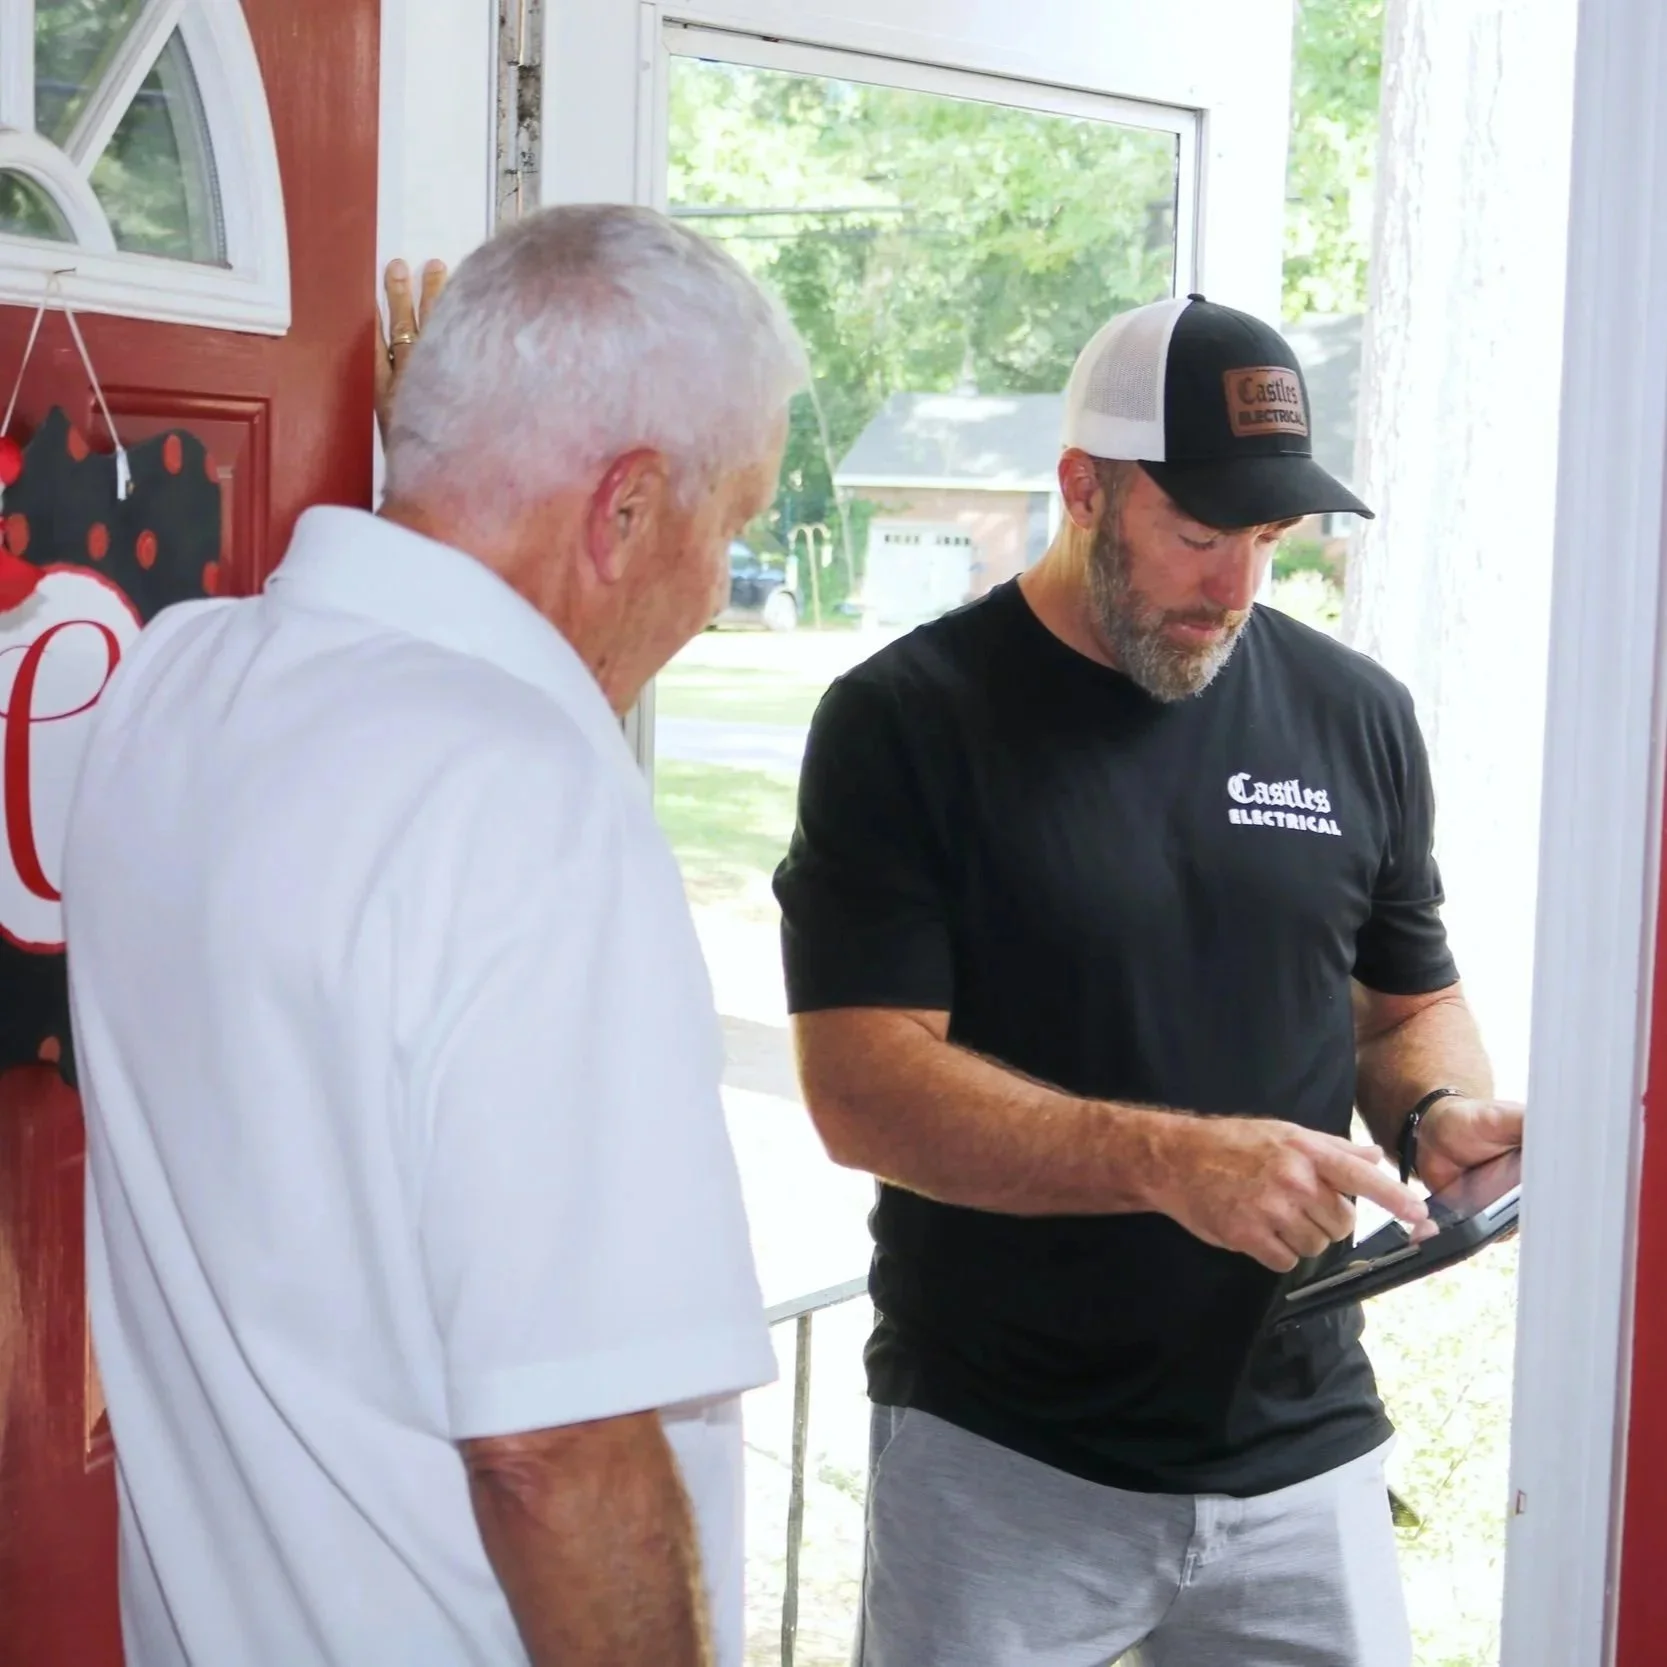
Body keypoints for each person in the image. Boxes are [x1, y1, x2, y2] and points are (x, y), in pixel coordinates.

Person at [63, 203, 806, 1667]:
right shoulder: (525, 805)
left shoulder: (170, 681)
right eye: (730, 525)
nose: (717, 593)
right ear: (628, 509)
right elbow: (555, 1447)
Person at [774, 292, 1525, 1667]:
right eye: (1196, 534)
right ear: (1082, 489)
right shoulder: (904, 722)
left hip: (1300, 1443)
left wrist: (1436, 1114)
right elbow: (860, 1087)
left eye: (1266, 538)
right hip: (1001, 1451)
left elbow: (1405, 1007)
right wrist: (1170, 1160)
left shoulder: (1355, 713)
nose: (1234, 587)